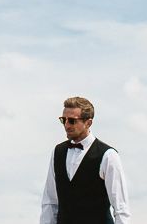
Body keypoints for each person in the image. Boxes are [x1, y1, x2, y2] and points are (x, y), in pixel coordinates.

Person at [40, 96, 131, 224]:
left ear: (88, 123)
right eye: (63, 120)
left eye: (72, 121)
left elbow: (121, 208)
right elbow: (50, 202)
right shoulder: (58, 152)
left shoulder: (108, 156)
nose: (66, 125)